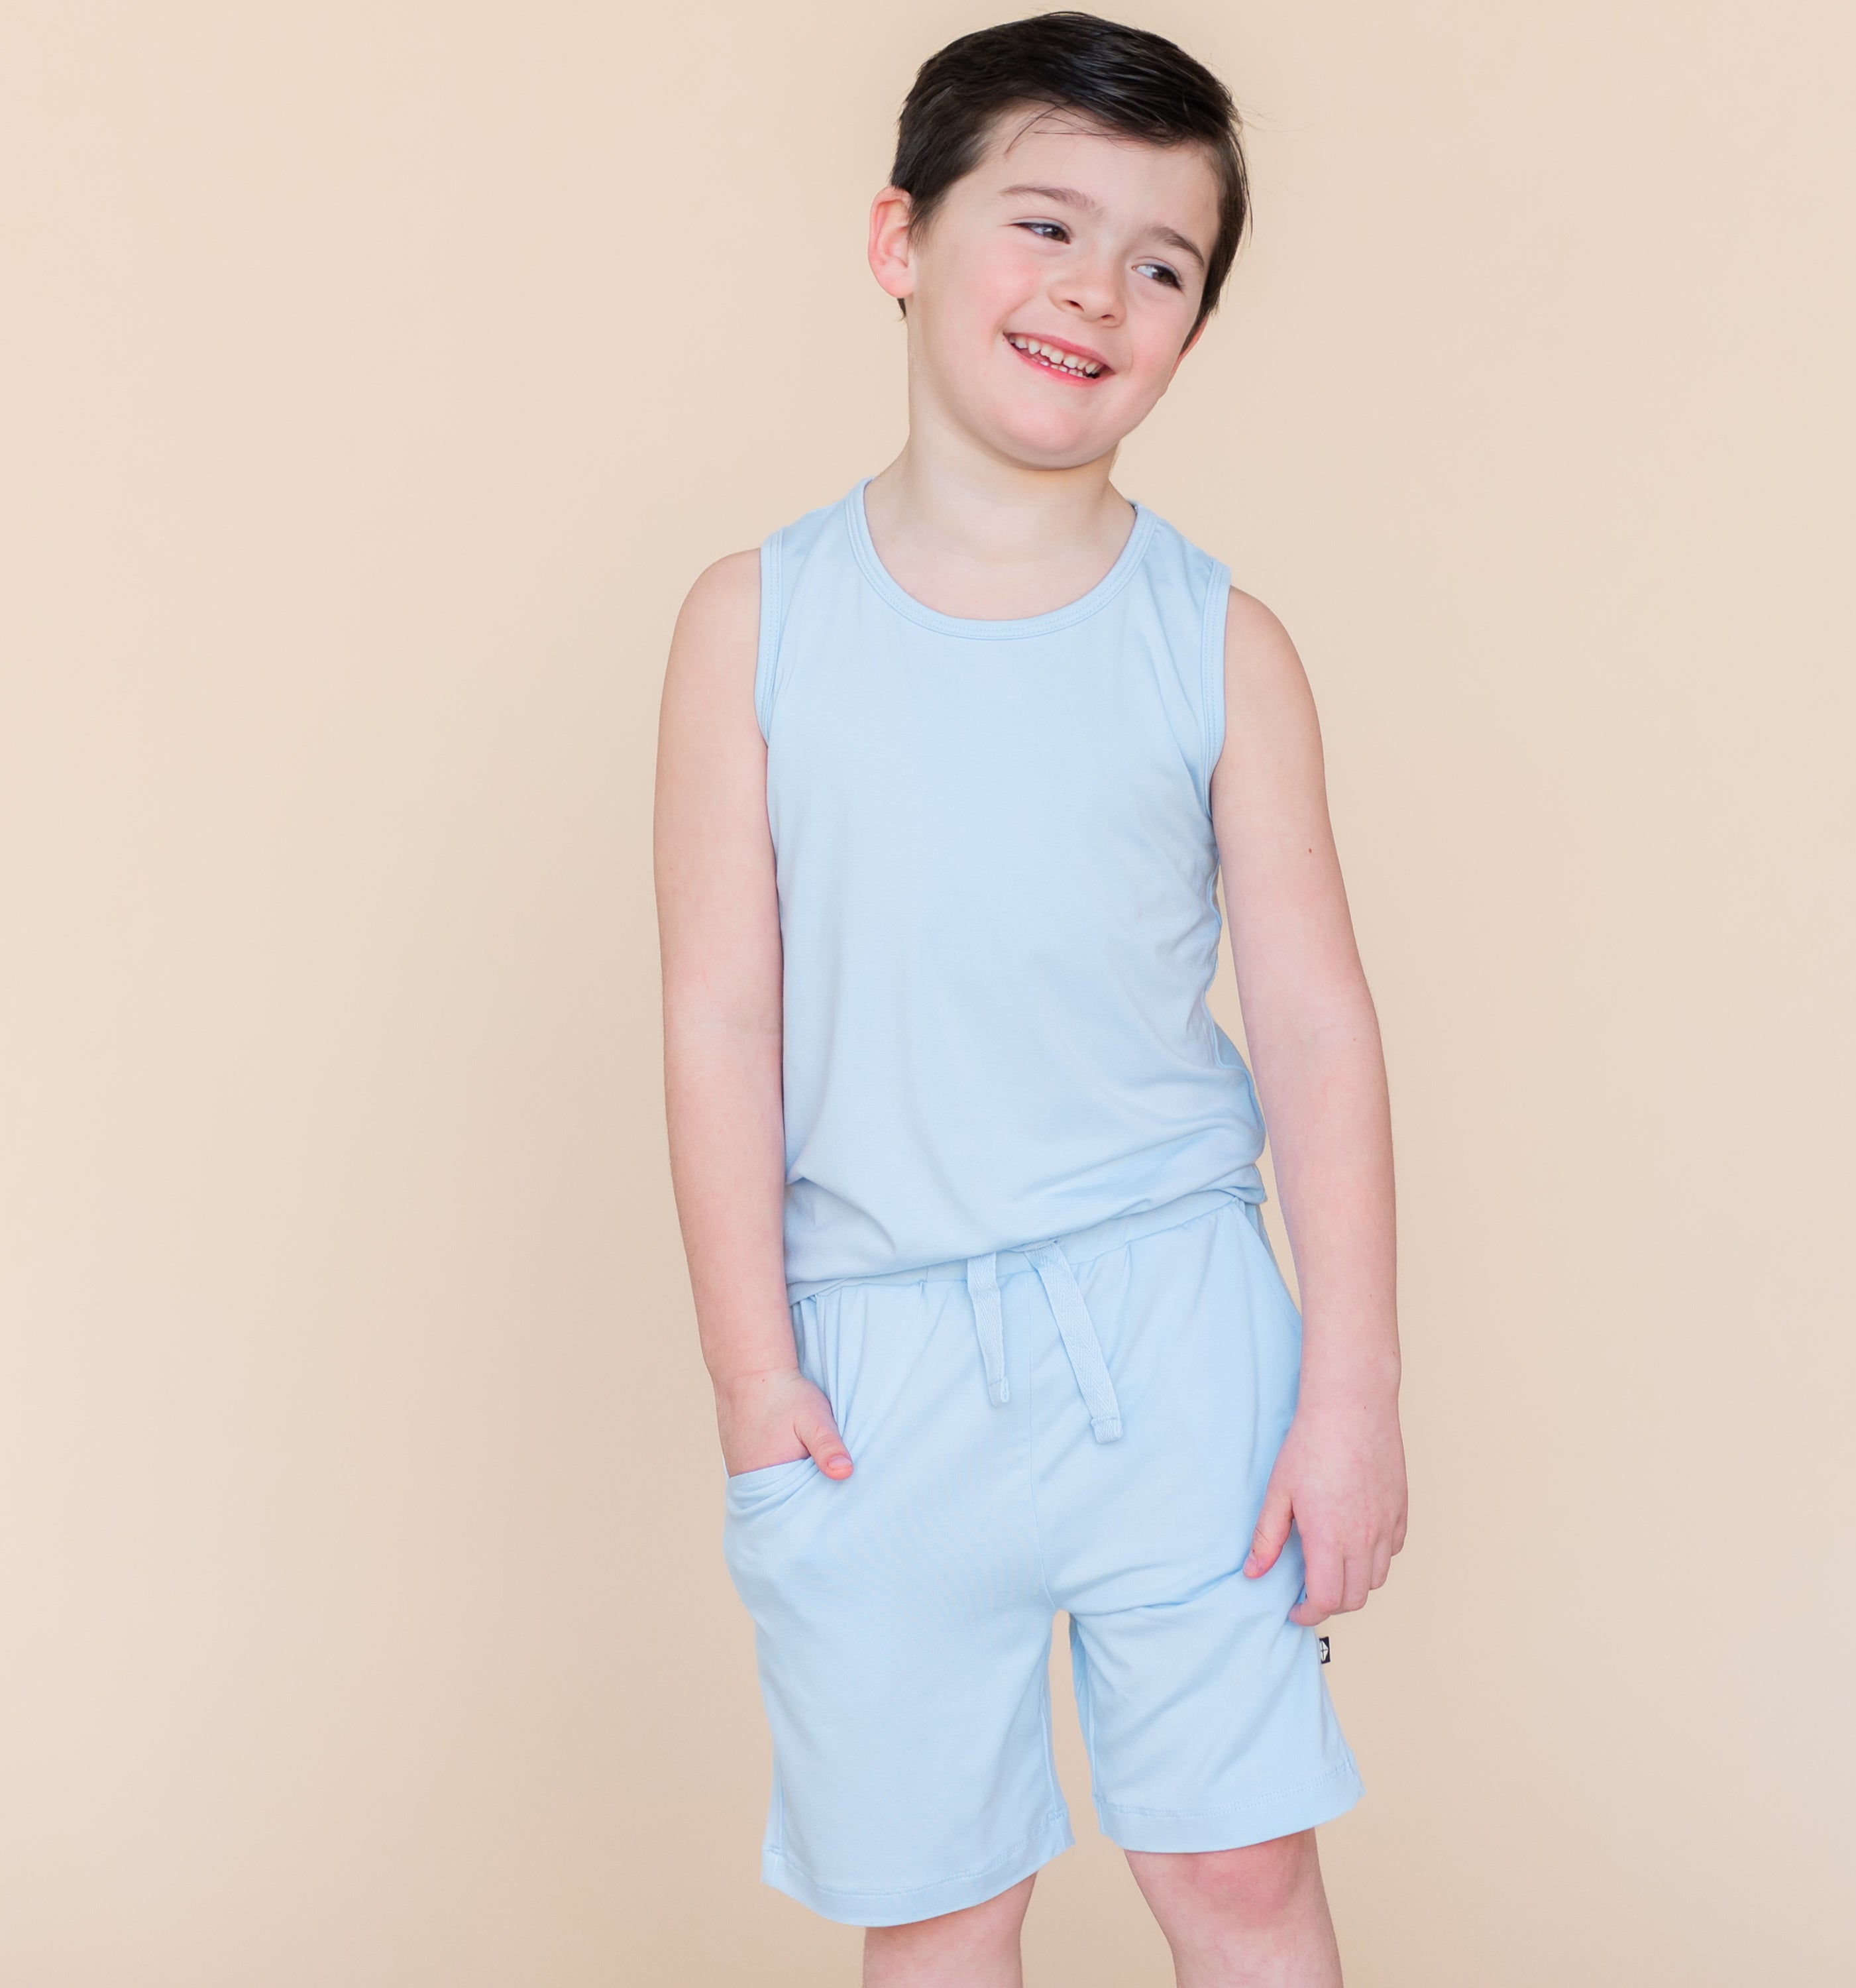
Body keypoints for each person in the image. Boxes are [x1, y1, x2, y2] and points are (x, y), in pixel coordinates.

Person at [653, 14, 1405, 1983]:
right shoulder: (757, 621)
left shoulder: (1222, 646)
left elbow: (1318, 1024)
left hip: (1179, 1341)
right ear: (900, 239)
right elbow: (722, 1015)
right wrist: (756, 1380)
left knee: (1239, 1874)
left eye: (1162, 264)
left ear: (1193, 327)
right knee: (943, 1905)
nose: (1095, 289)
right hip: (872, 1370)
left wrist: (1351, 1389)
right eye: (1044, 225)